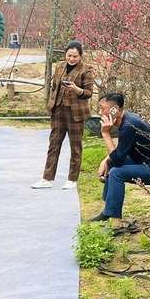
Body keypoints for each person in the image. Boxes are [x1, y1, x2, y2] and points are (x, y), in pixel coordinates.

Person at [94, 91, 150, 236]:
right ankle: (108, 211)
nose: (100, 113)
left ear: (114, 109)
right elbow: (121, 150)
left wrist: (105, 134)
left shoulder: (129, 125)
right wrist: (105, 160)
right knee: (111, 165)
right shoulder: (128, 119)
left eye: (102, 109)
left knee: (116, 172)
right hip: (145, 162)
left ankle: (116, 224)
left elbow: (118, 160)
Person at [31, 40, 96, 190]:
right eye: (69, 55)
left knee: (75, 146)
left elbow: (88, 93)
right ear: (65, 54)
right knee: (54, 144)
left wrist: (76, 89)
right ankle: (47, 177)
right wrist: (52, 102)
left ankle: (72, 179)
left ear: (80, 56)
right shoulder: (60, 66)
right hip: (58, 109)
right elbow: (54, 86)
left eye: (75, 56)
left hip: (76, 113)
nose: (71, 59)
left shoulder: (86, 70)